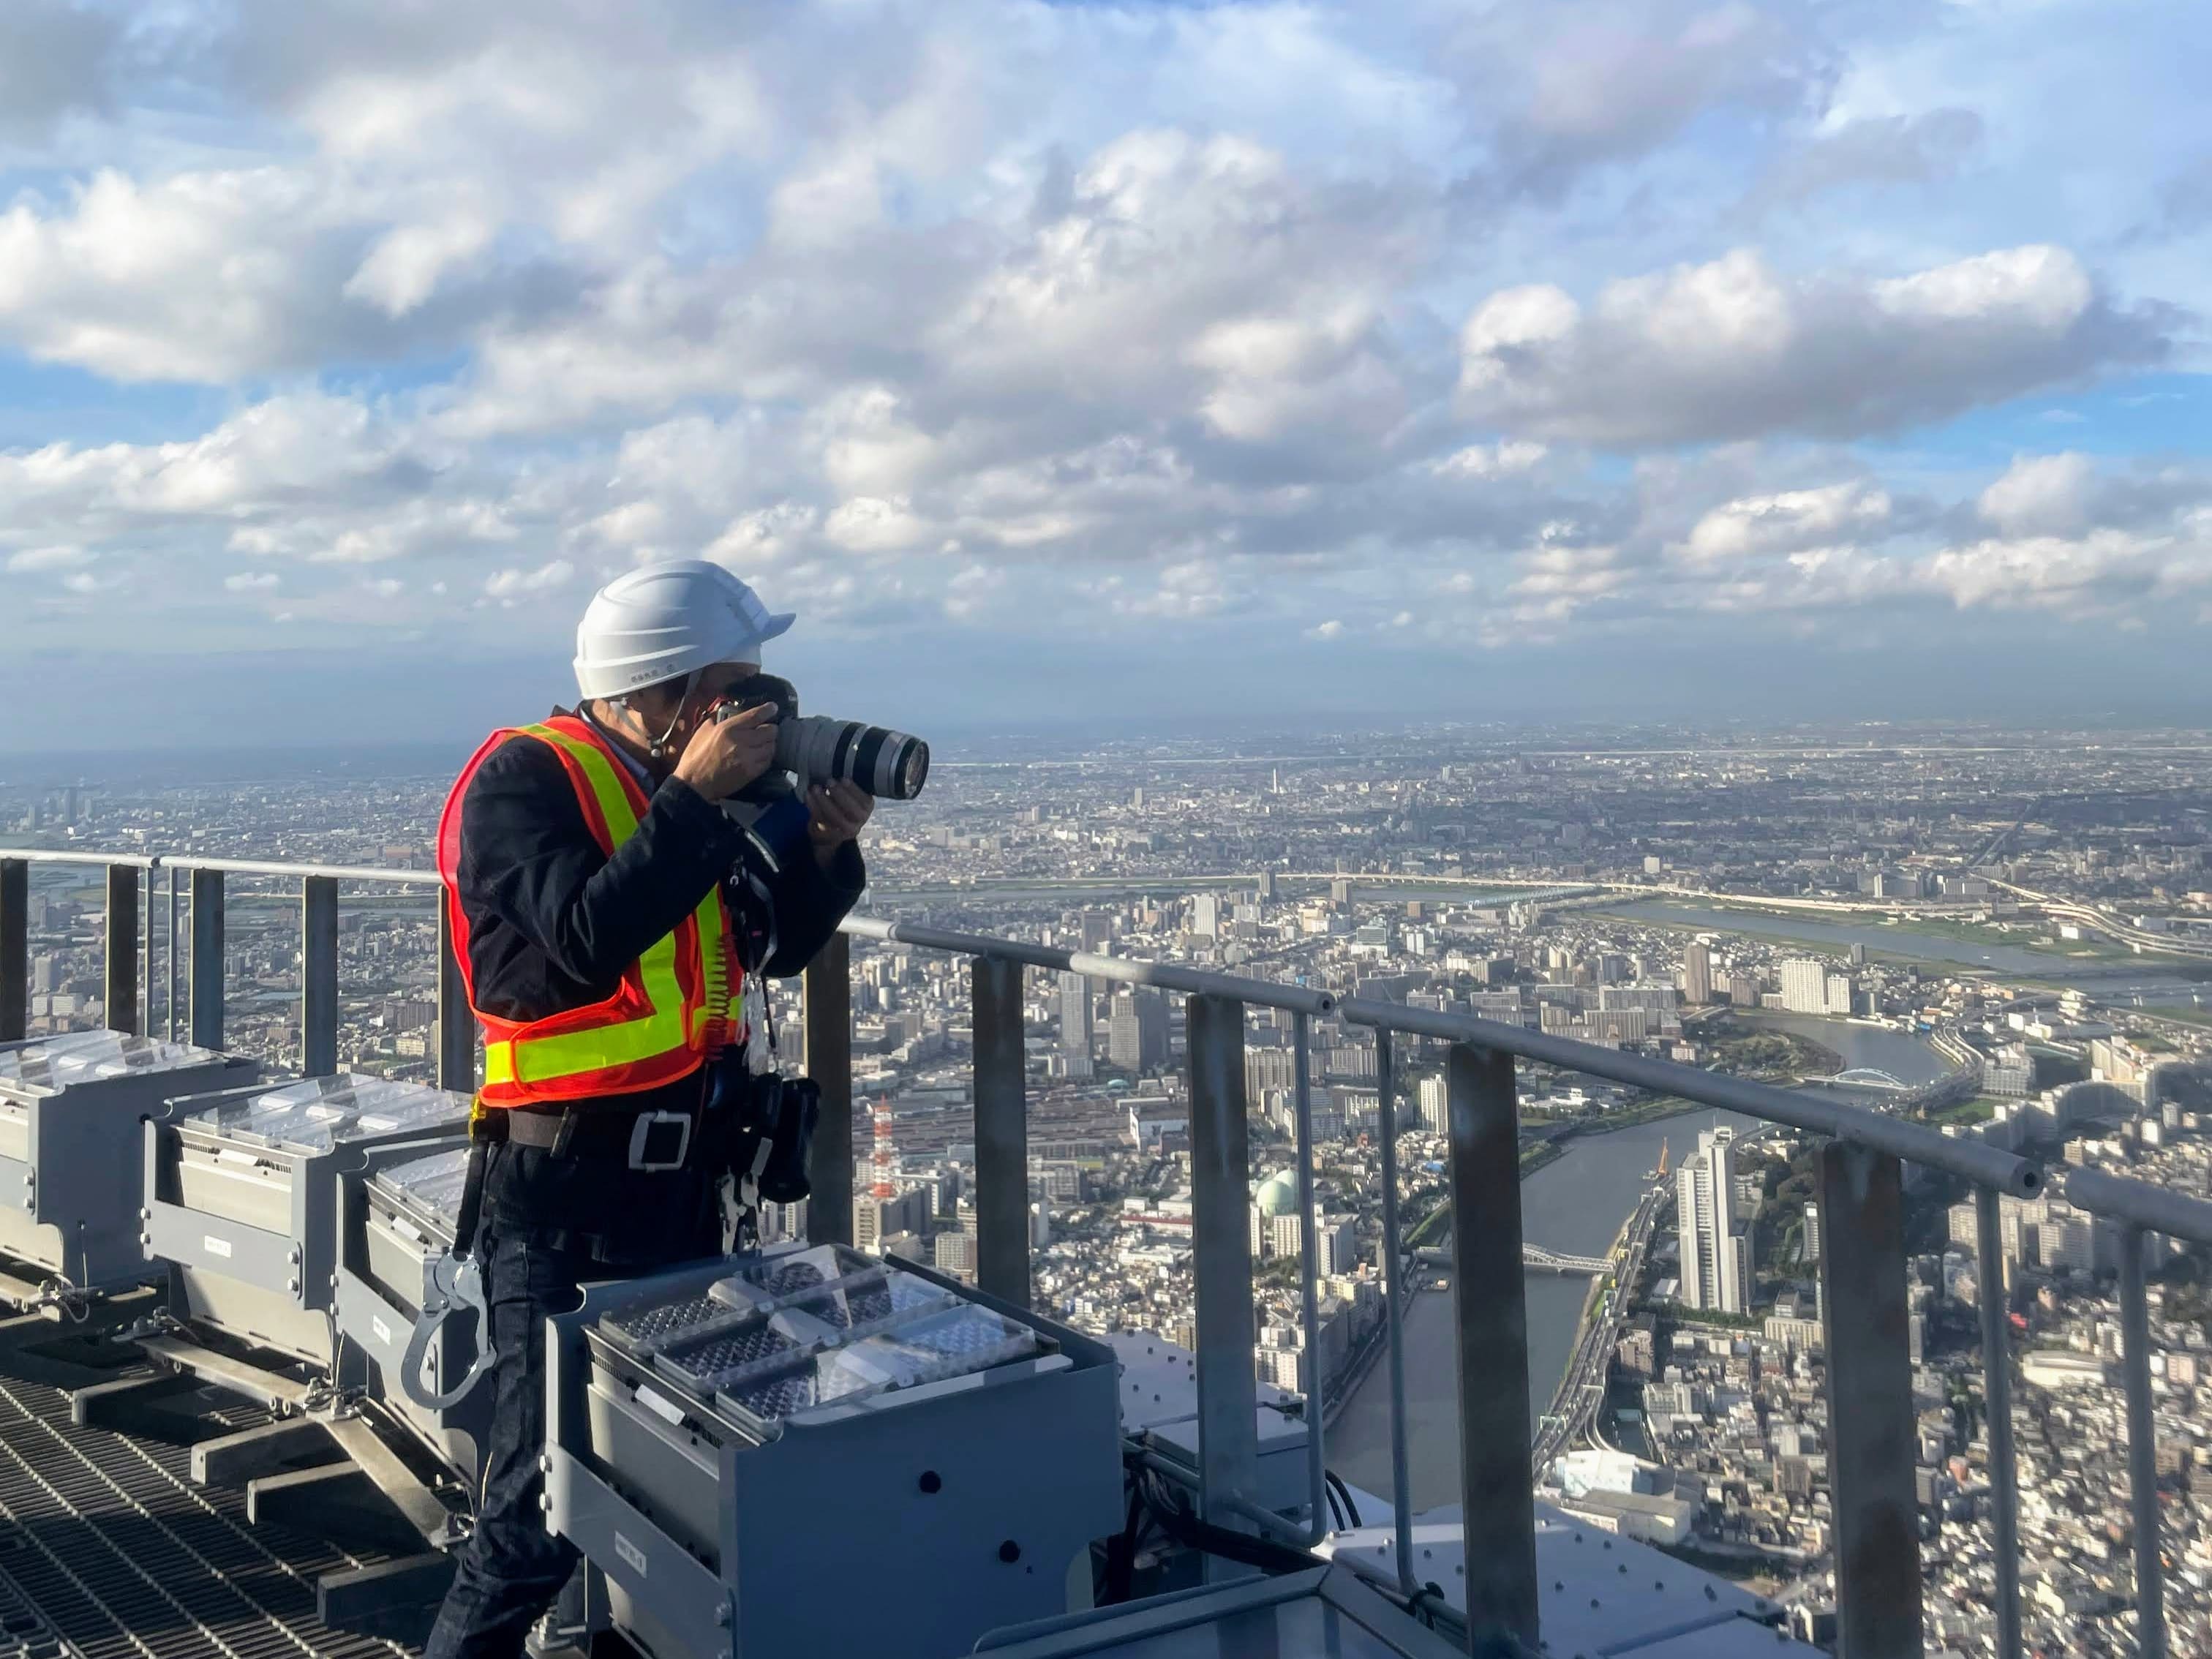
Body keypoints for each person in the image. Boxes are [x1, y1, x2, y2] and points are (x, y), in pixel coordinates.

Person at [424, 560, 870, 1659]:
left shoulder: (713, 798)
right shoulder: (525, 780)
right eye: (731, 689)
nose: (757, 713)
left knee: (679, 1478)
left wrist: (822, 849)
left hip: (686, 1190)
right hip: (564, 1193)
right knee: (532, 1513)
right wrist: (693, 802)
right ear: (658, 694)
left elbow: (770, 946)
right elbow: (577, 941)